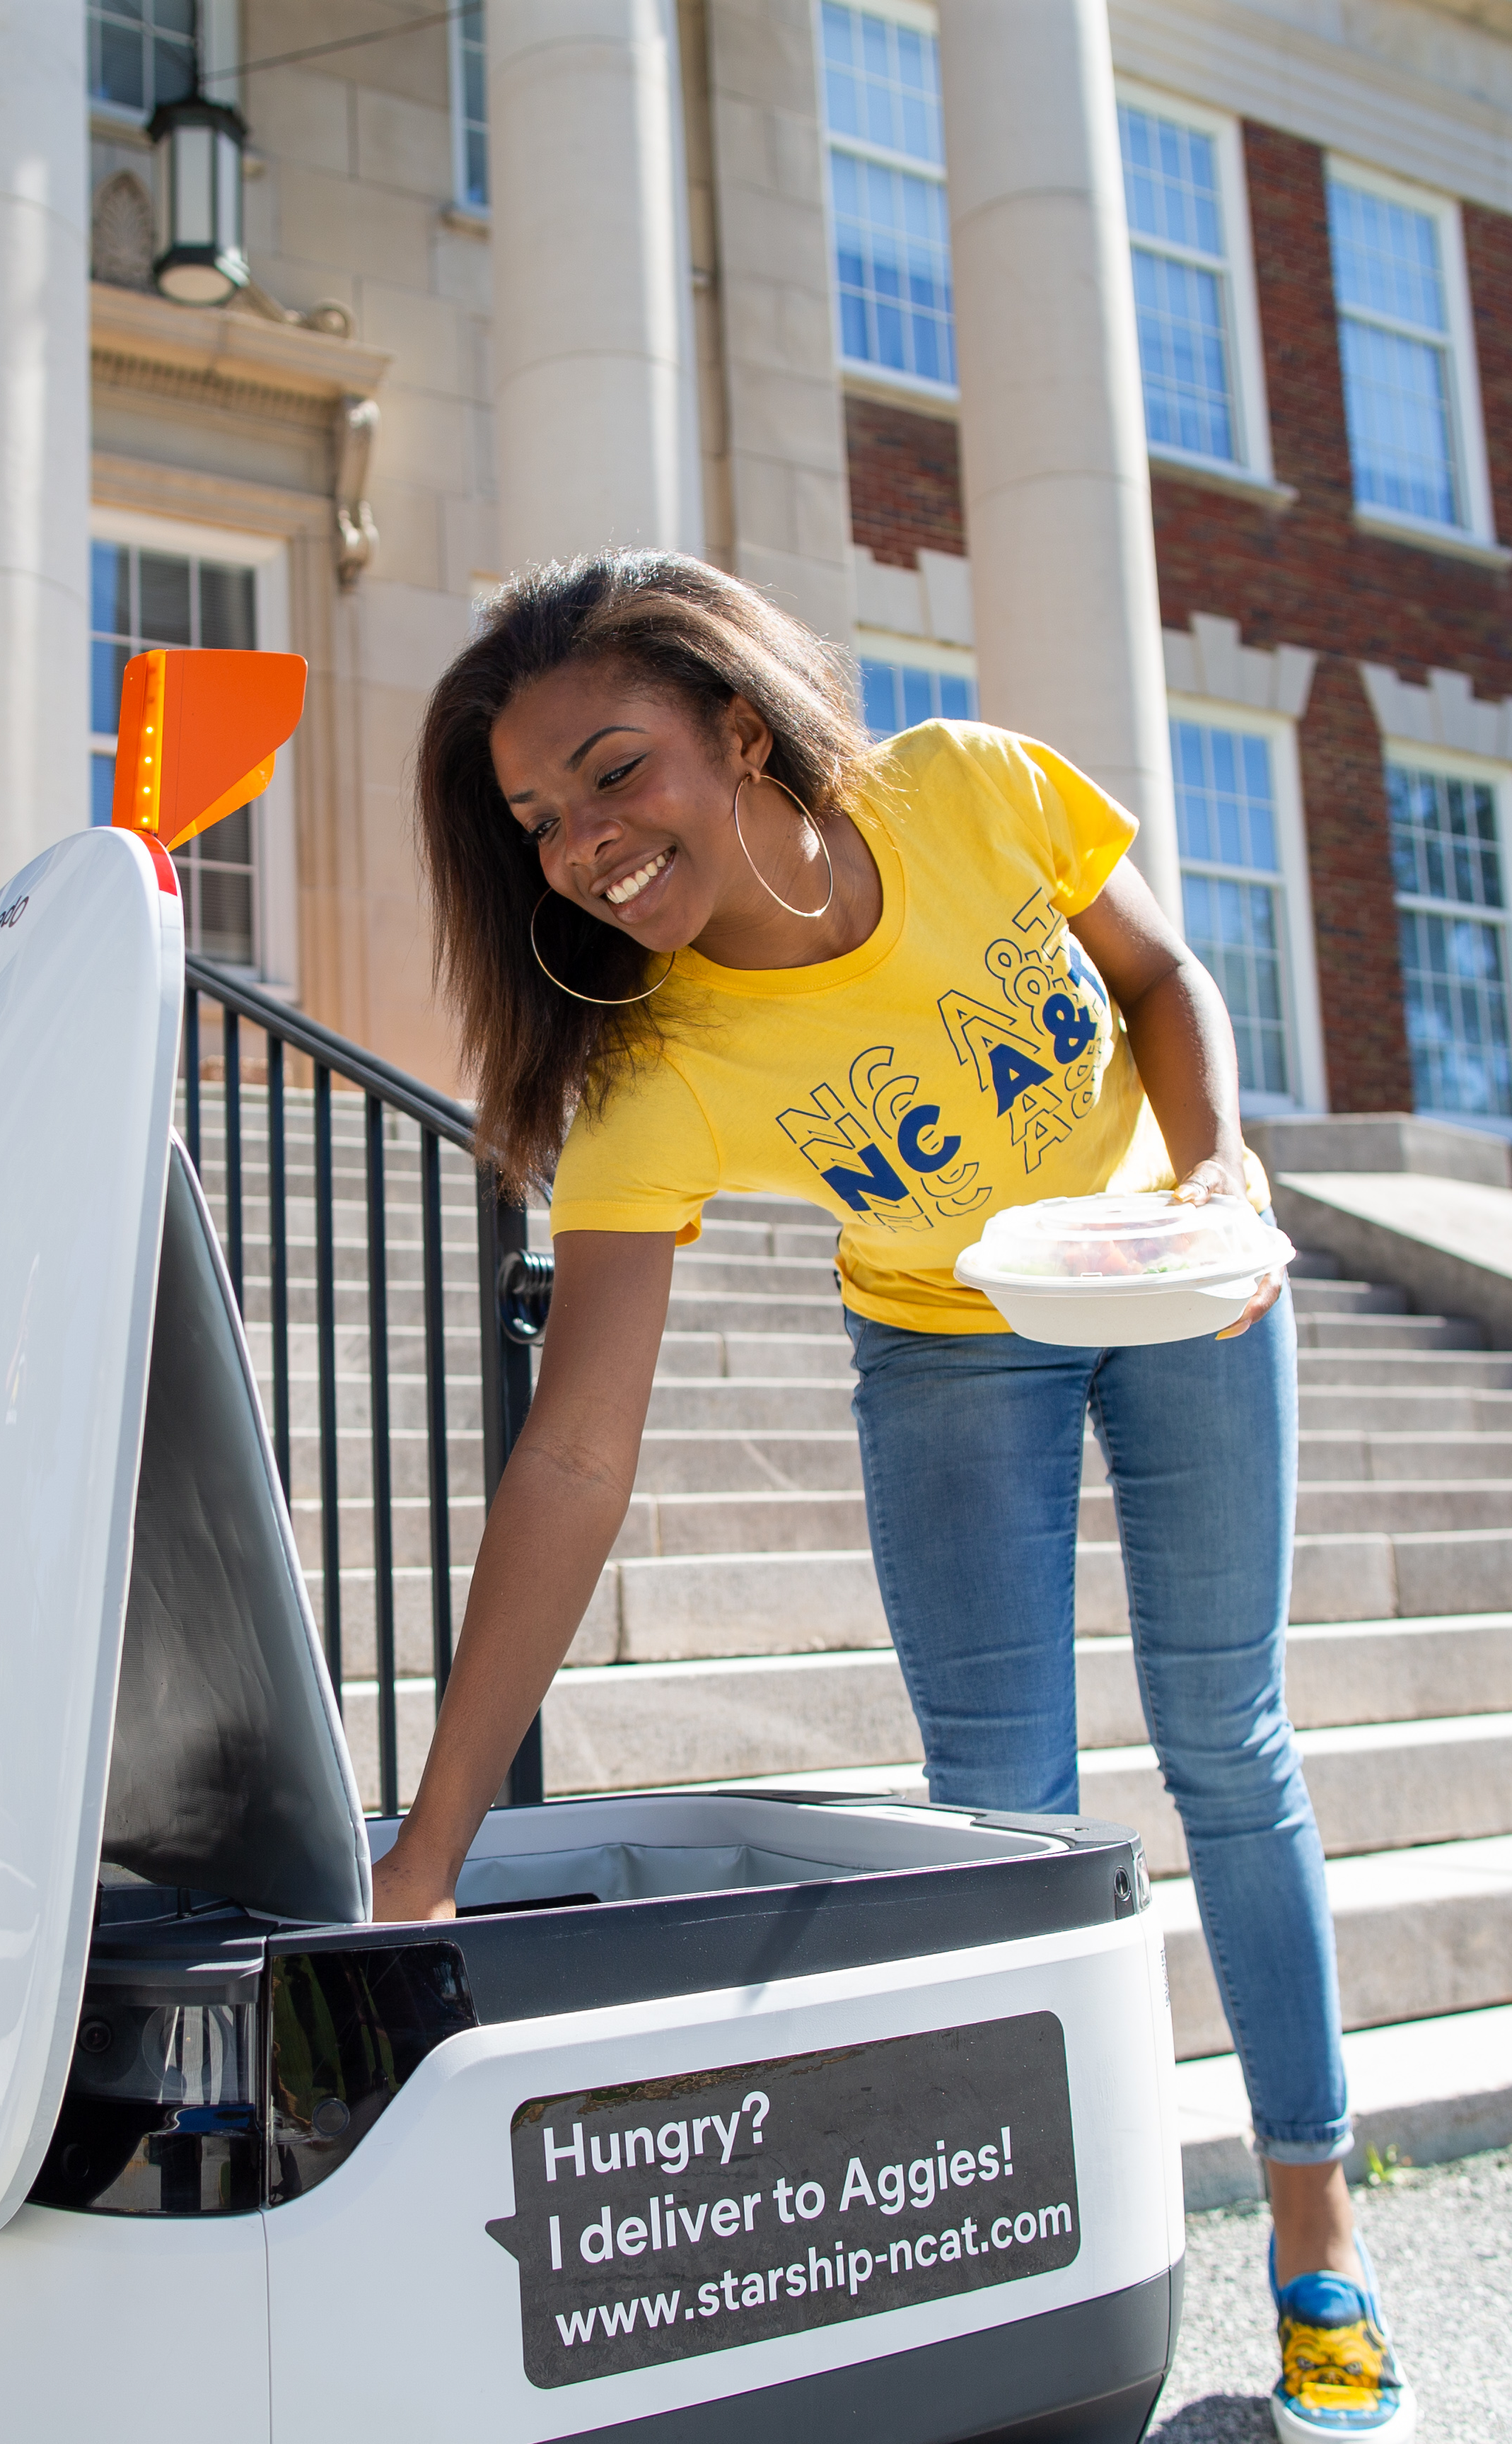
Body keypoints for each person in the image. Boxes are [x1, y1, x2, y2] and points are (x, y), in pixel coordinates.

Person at [366, 554, 1414, 2443]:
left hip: (1175, 1281)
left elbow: (1162, 978)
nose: (584, 841)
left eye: (616, 772)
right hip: (947, 1342)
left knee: (1225, 1737)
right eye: (538, 819)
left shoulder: (966, 792)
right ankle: (1073, 2257)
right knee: (998, 1815)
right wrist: (430, 1850)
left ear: (742, 730)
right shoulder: (655, 1071)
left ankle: (1316, 2239)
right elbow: (578, 1455)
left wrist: (1222, 1179)